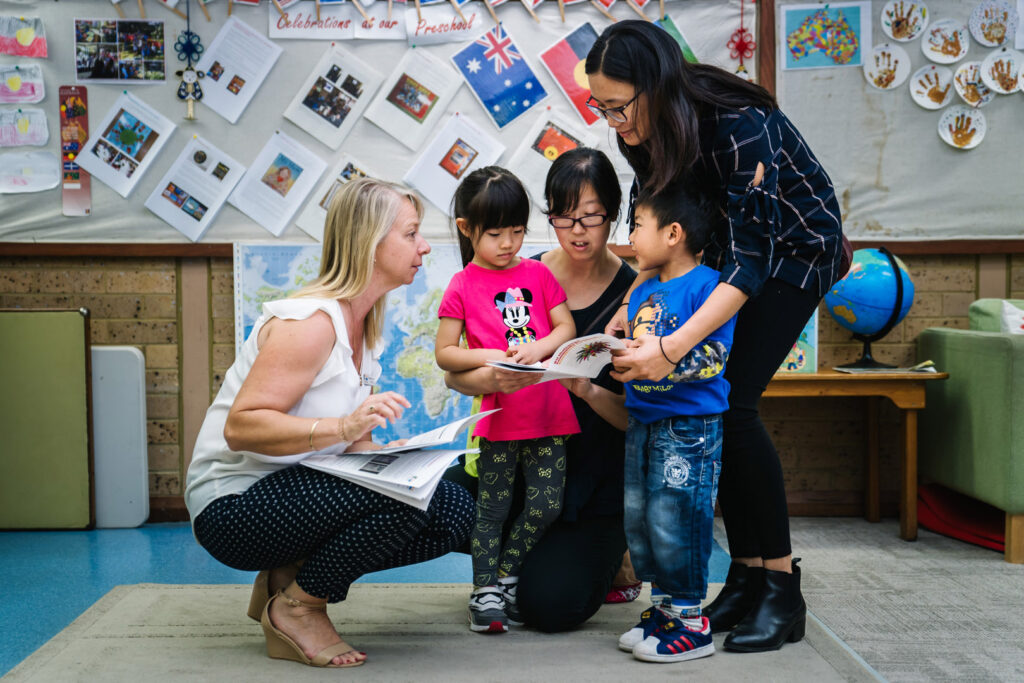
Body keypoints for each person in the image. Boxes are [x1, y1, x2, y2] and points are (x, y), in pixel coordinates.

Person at [585, 21, 845, 652]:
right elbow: (660, 232)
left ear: (654, 87)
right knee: (716, 410)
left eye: (619, 105)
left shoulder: (737, 123)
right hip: (720, 263)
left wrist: (671, 349)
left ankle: (781, 590)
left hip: (793, 256)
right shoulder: (642, 133)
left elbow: (751, 261)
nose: (613, 121)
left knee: (733, 405)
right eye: (601, 107)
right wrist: (626, 309)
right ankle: (747, 577)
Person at [184, 178, 475, 669]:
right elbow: (243, 428)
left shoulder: (364, 325)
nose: (424, 246)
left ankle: (291, 575)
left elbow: (353, 444)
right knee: (403, 498)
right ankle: (299, 607)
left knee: (451, 510)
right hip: (233, 508)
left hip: (293, 491)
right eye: (411, 233)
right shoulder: (310, 324)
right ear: (369, 242)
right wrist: (343, 428)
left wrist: (392, 451)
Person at [443, 149, 637, 633]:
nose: (576, 230)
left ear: (613, 213)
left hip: (592, 477)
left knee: (551, 607)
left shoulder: (635, 295)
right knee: (437, 504)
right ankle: (504, 573)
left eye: (591, 217)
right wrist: (490, 374)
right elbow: (452, 370)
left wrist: (587, 391)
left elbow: (642, 417)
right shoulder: (516, 274)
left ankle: (612, 553)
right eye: (563, 217)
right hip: (512, 442)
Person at [435, 166, 580, 633]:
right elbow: (445, 353)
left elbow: (565, 329)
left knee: (545, 506)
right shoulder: (461, 285)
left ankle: (507, 574)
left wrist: (538, 348)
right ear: (466, 229)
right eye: (495, 233)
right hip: (498, 418)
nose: (508, 243)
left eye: (517, 231)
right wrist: (492, 354)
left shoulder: (538, 274)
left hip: (550, 413)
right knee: (492, 509)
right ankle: (484, 592)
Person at [601, 183, 735, 663]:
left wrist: (660, 362)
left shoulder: (710, 286)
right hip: (644, 419)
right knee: (642, 520)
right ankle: (663, 612)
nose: (631, 235)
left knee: (678, 518)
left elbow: (714, 358)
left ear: (673, 233)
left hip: (689, 427)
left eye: (638, 225)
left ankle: (691, 622)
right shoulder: (647, 289)